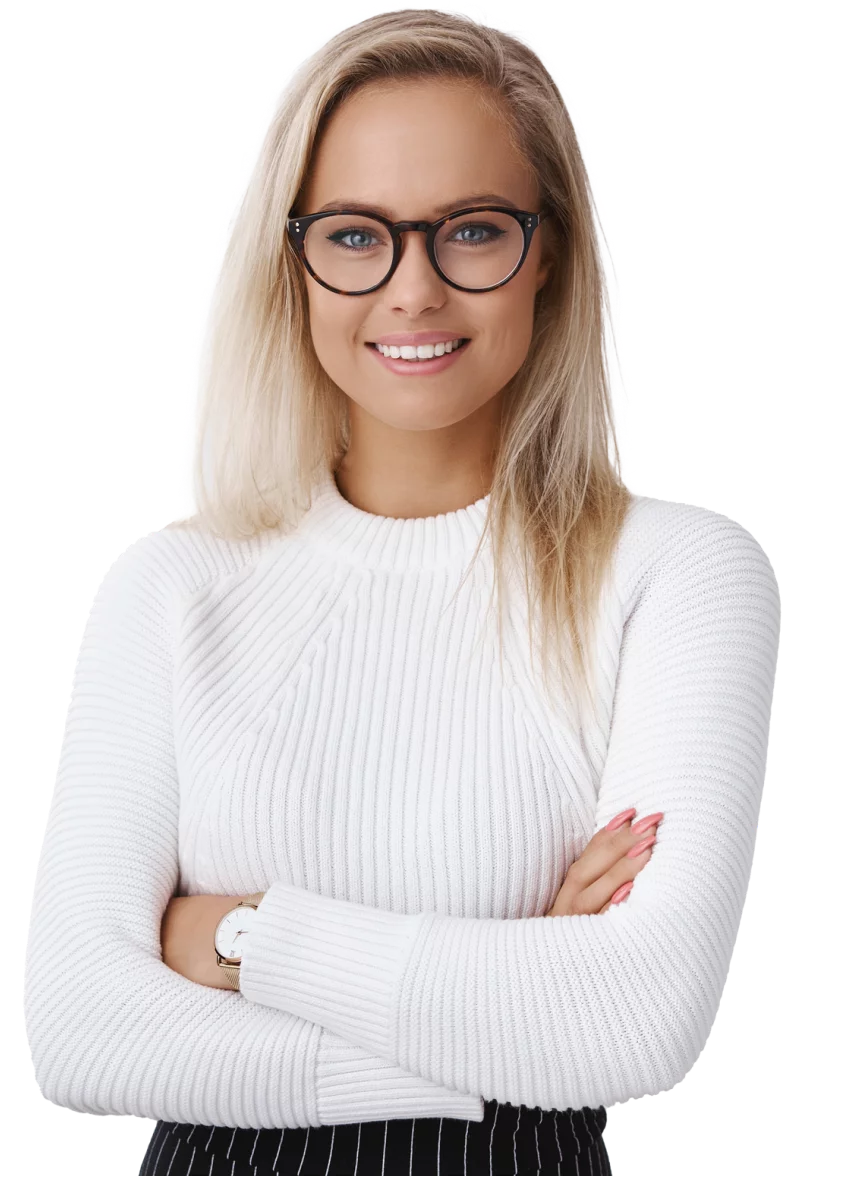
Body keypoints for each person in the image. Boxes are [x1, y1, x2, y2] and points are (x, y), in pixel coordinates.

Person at [23, 8, 781, 1177]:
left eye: (471, 231)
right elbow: (80, 1033)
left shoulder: (675, 572)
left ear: (549, 253)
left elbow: (638, 1022)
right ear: (292, 262)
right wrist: (505, 1009)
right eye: (354, 235)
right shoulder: (168, 587)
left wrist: (234, 937)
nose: (412, 289)